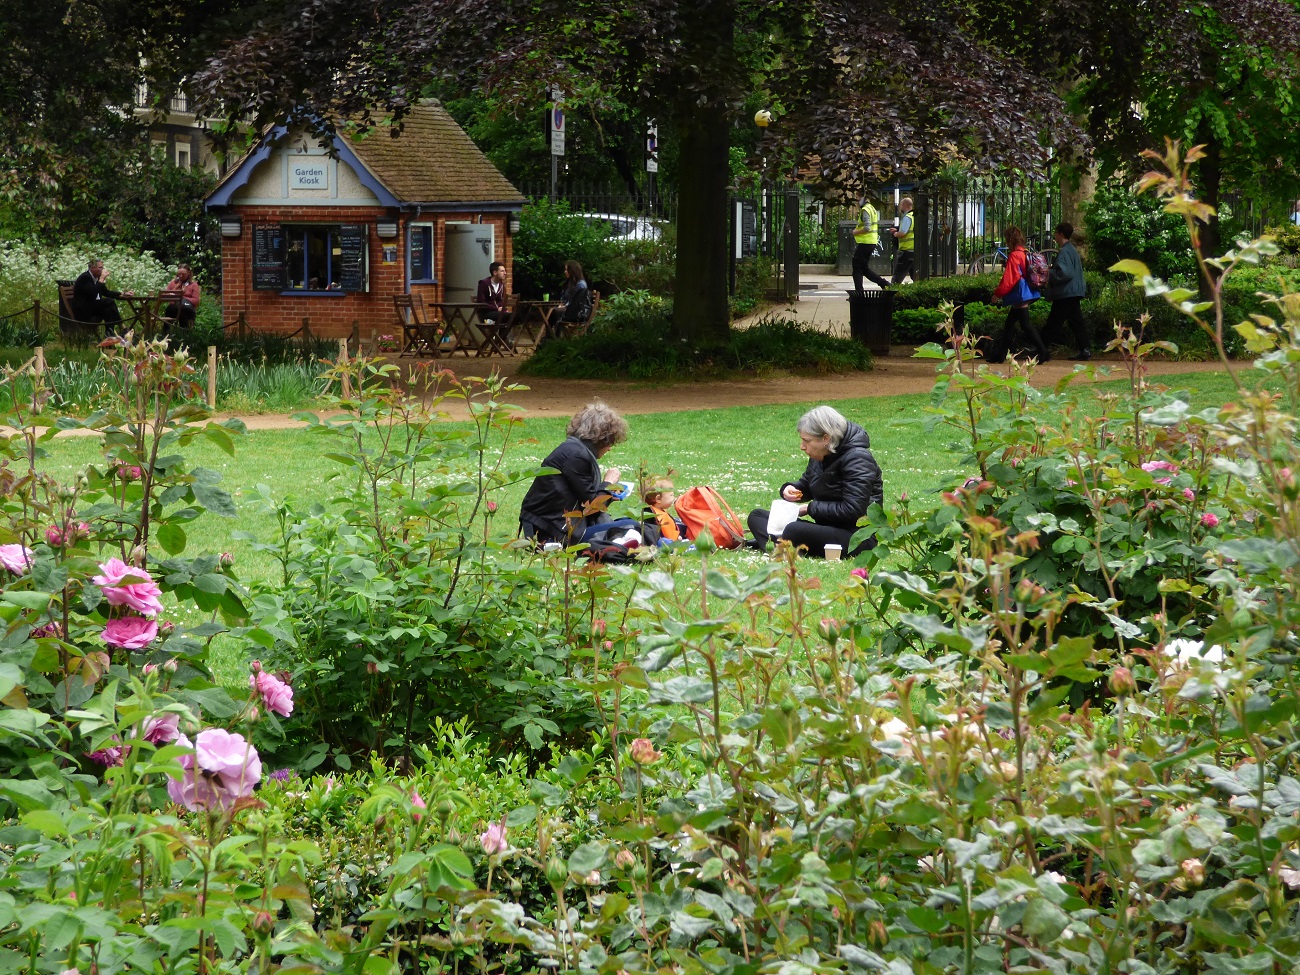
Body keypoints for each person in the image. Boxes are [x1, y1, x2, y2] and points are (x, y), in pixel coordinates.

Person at [747, 405, 883, 558]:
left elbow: (852, 510)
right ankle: (781, 546)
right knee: (757, 515)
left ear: (826, 438)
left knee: (794, 530)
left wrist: (809, 508)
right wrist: (791, 489)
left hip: (857, 537)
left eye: (807, 441)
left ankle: (776, 546)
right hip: (825, 528)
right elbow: (807, 486)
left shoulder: (858, 459)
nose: (802, 446)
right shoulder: (821, 454)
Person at [519, 401, 632, 545]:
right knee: (630, 527)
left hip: (551, 523)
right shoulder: (576, 456)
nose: (610, 448)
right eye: (610, 441)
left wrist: (608, 493)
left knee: (626, 527)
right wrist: (608, 483)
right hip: (551, 529)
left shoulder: (574, 449)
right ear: (601, 438)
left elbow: (581, 494)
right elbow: (592, 506)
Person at [985, 225, 1048, 363]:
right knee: (1011, 325)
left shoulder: (1014, 255)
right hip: (1025, 293)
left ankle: (1043, 352)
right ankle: (1000, 355)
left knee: (1025, 326)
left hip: (1020, 295)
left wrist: (997, 294)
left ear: (1009, 240)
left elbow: (1009, 279)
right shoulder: (1024, 253)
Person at [1043, 222, 1090, 360]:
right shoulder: (1071, 250)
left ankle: (1041, 347)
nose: (1054, 236)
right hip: (1073, 292)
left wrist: (1049, 272)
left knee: (1054, 322)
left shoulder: (1064, 251)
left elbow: (1065, 273)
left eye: (1056, 233)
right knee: (1076, 322)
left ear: (1061, 234)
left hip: (1066, 293)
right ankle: (1085, 349)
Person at [71, 258, 132, 333]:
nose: (102, 270)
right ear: (92, 268)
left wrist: (122, 294)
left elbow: (106, 292)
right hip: (83, 311)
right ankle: (122, 326)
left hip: (92, 308)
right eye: (100, 268)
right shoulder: (85, 278)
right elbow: (93, 292)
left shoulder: (97, 279)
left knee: (108, 311)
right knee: (109, 301)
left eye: (102, 267)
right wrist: (102, 279)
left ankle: (109, 335)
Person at [851, 194, 889, 294]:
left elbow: (867, 227)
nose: (857, 200)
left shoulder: (865, 210)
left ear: (863, 198)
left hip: (865, 242)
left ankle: (859, 292)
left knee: (857, 267)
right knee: (864, 268)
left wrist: (855, 232)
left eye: (858, 197)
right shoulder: (872, 208)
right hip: (871, 241)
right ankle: (884, 284)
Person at [643, 477, 684, 543]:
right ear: (658, 499)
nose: (674, 497)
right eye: (671, 495)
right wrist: (677, 539)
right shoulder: (658, 518)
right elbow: (669, 538)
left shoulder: (649, 511)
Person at [161, 263, 201, 330]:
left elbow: (196, 301)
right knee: (170, 309)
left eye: (183, 274)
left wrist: (182, 298)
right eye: (179, 274)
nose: (181, 276)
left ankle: (184, 333)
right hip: (173, 308)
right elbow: (164, 296)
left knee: (182, 312)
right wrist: (175, 289)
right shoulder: (173, 283)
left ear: (188, 273)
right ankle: (166, 333)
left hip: (187, 308)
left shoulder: (193, 285)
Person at [555, 260, 592, 325]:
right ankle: (552, 333)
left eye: (566, 270)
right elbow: (565, 299)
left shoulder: (581, 284)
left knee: (554, 311)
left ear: (572, 271)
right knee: (552, 311)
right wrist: (563, 305)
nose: (565, 272)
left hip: (576, 314)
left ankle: (553, 334)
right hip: (570, 310)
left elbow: (576, 303)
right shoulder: (571, 284)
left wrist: (565, 306)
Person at [890, 197, 916, 284]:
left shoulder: (907, 217)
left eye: (901, 206)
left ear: (904, 206)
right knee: (916, 277)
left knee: (897, 278)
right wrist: (897, 230)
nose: (900, 208)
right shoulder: (914, 216)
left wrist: (896, 234)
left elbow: (903, 233)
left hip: (906, 252)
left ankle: (892, 295)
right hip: (914, 251)